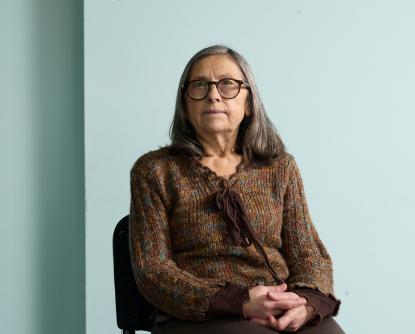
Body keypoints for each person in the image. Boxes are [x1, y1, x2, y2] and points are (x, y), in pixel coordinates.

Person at [129, 45, 344, 334]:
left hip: (276, 302)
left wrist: (303, 302)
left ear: (249, 103)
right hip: (198, 314)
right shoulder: (154, 170)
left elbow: (309, 254)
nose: (213, 94)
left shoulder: (280, 168)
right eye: (200, 85)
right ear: (185, 102)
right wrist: (238, 301)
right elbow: (152, 270)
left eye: (227, 84)